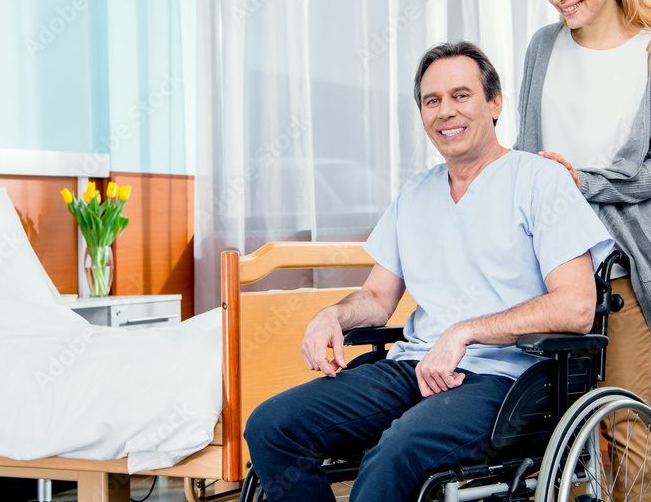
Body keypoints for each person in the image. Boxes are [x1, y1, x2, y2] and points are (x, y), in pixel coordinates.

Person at [245, 41, 615, 502]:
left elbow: (577, 306)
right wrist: (332, 316)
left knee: (396, 452)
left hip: (507, 381)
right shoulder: (415, 194)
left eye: (461, 95)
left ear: (495, 102)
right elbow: (378, 299)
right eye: (431, 101)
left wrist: (465, 332)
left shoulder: (540, 180)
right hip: (413, 367)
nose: (445, 112)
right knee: (272, 426)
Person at [516, 0, 651, 502]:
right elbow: (524, 152)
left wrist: (583, 182)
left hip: (628, 262)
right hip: (553, 263)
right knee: (558, 432)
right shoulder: (543, 48)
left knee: (622, 421)